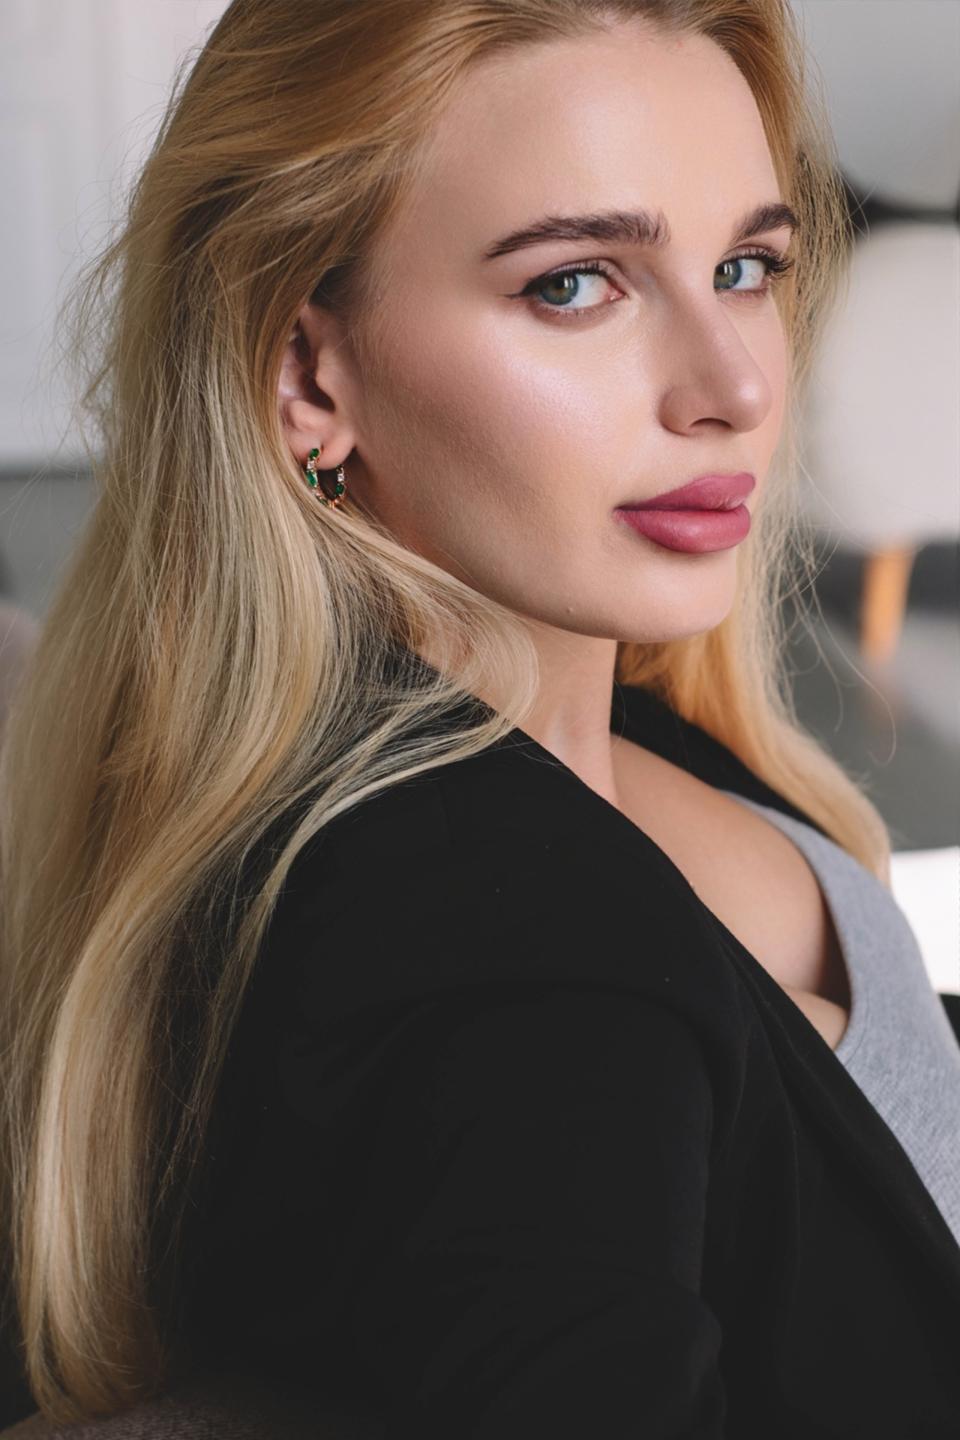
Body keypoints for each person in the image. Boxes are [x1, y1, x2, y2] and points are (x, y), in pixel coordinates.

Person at [1, 1, 958, 1435]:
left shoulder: (579, 725)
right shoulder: (514, 959)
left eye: (743, 267)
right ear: (308, 376)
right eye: (575, 285)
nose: (739, 386)